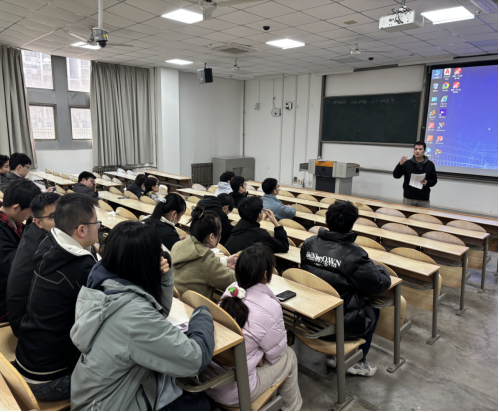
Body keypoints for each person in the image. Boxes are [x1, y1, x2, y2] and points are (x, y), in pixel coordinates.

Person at [70, 221, 215, 411]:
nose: (160, 257)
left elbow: (156, 314)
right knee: (199, 404)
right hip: (113, 404)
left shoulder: (103, 286)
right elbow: (195, 359)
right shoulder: (134, 316)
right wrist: (203, 312)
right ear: (145, 263)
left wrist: (163, 278)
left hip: (96, 396)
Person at [14, 193, 101, 401]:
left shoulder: (49, 243)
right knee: (122, 374)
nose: (99, 227)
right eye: (96, 223)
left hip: (27, 360)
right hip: (49, 380)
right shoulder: (81, 267)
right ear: (81, 230)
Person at [300, 200, 391, 377]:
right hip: (339, 322)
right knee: (373, 309)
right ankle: (356, 361)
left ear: (327, 221)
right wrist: (380, 268)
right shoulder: (354, 254)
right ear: (351, 226)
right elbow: (379, 285)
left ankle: (335, 355)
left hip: (311, 314)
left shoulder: (309, 243)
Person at [207, 244, 302, 411]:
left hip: (210, 379)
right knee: (289, 355)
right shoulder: (270, 307)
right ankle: (292, 408)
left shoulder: (231, 291)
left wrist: (257, 355)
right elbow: (276, 354)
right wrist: (259, 356)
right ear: (265, 275)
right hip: (237, 389)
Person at [7, 192, 59, 337]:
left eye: (63, 214)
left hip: (20, 315)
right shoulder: (46, 247)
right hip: (26, 325)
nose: (62, 221)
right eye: (53, 217)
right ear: (38, 222)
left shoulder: (32, 231)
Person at [171, 206, 237, 298]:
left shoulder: (178, 245)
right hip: (193, 305)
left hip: (174, 299)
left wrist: (224, 261)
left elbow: (197, 264)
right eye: (219, 233)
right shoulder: (206, 260)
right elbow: (232, 280)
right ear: (211, 237)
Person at [0, 180, 42, 322]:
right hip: (4, 300)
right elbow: (15, 265)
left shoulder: (10, 220)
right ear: (16, 207)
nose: (31, 215)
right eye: (30, 211)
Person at [225, 197, 289, 255]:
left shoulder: (236, 228)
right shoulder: (261, 235)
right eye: (261, 210)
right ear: (259, 215)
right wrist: (276, 223)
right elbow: (284, 246)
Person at [393, 141, 438, 208]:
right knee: (407, 214)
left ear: (424, 151)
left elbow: (434, 180)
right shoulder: (407, 163)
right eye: (416, 149)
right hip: (409, 197)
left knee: (422, 215)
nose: (417, 151)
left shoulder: (430, 164)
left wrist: (427, 182)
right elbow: (396, 175)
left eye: (420, 149)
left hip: (423, 198)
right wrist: (400, 165)